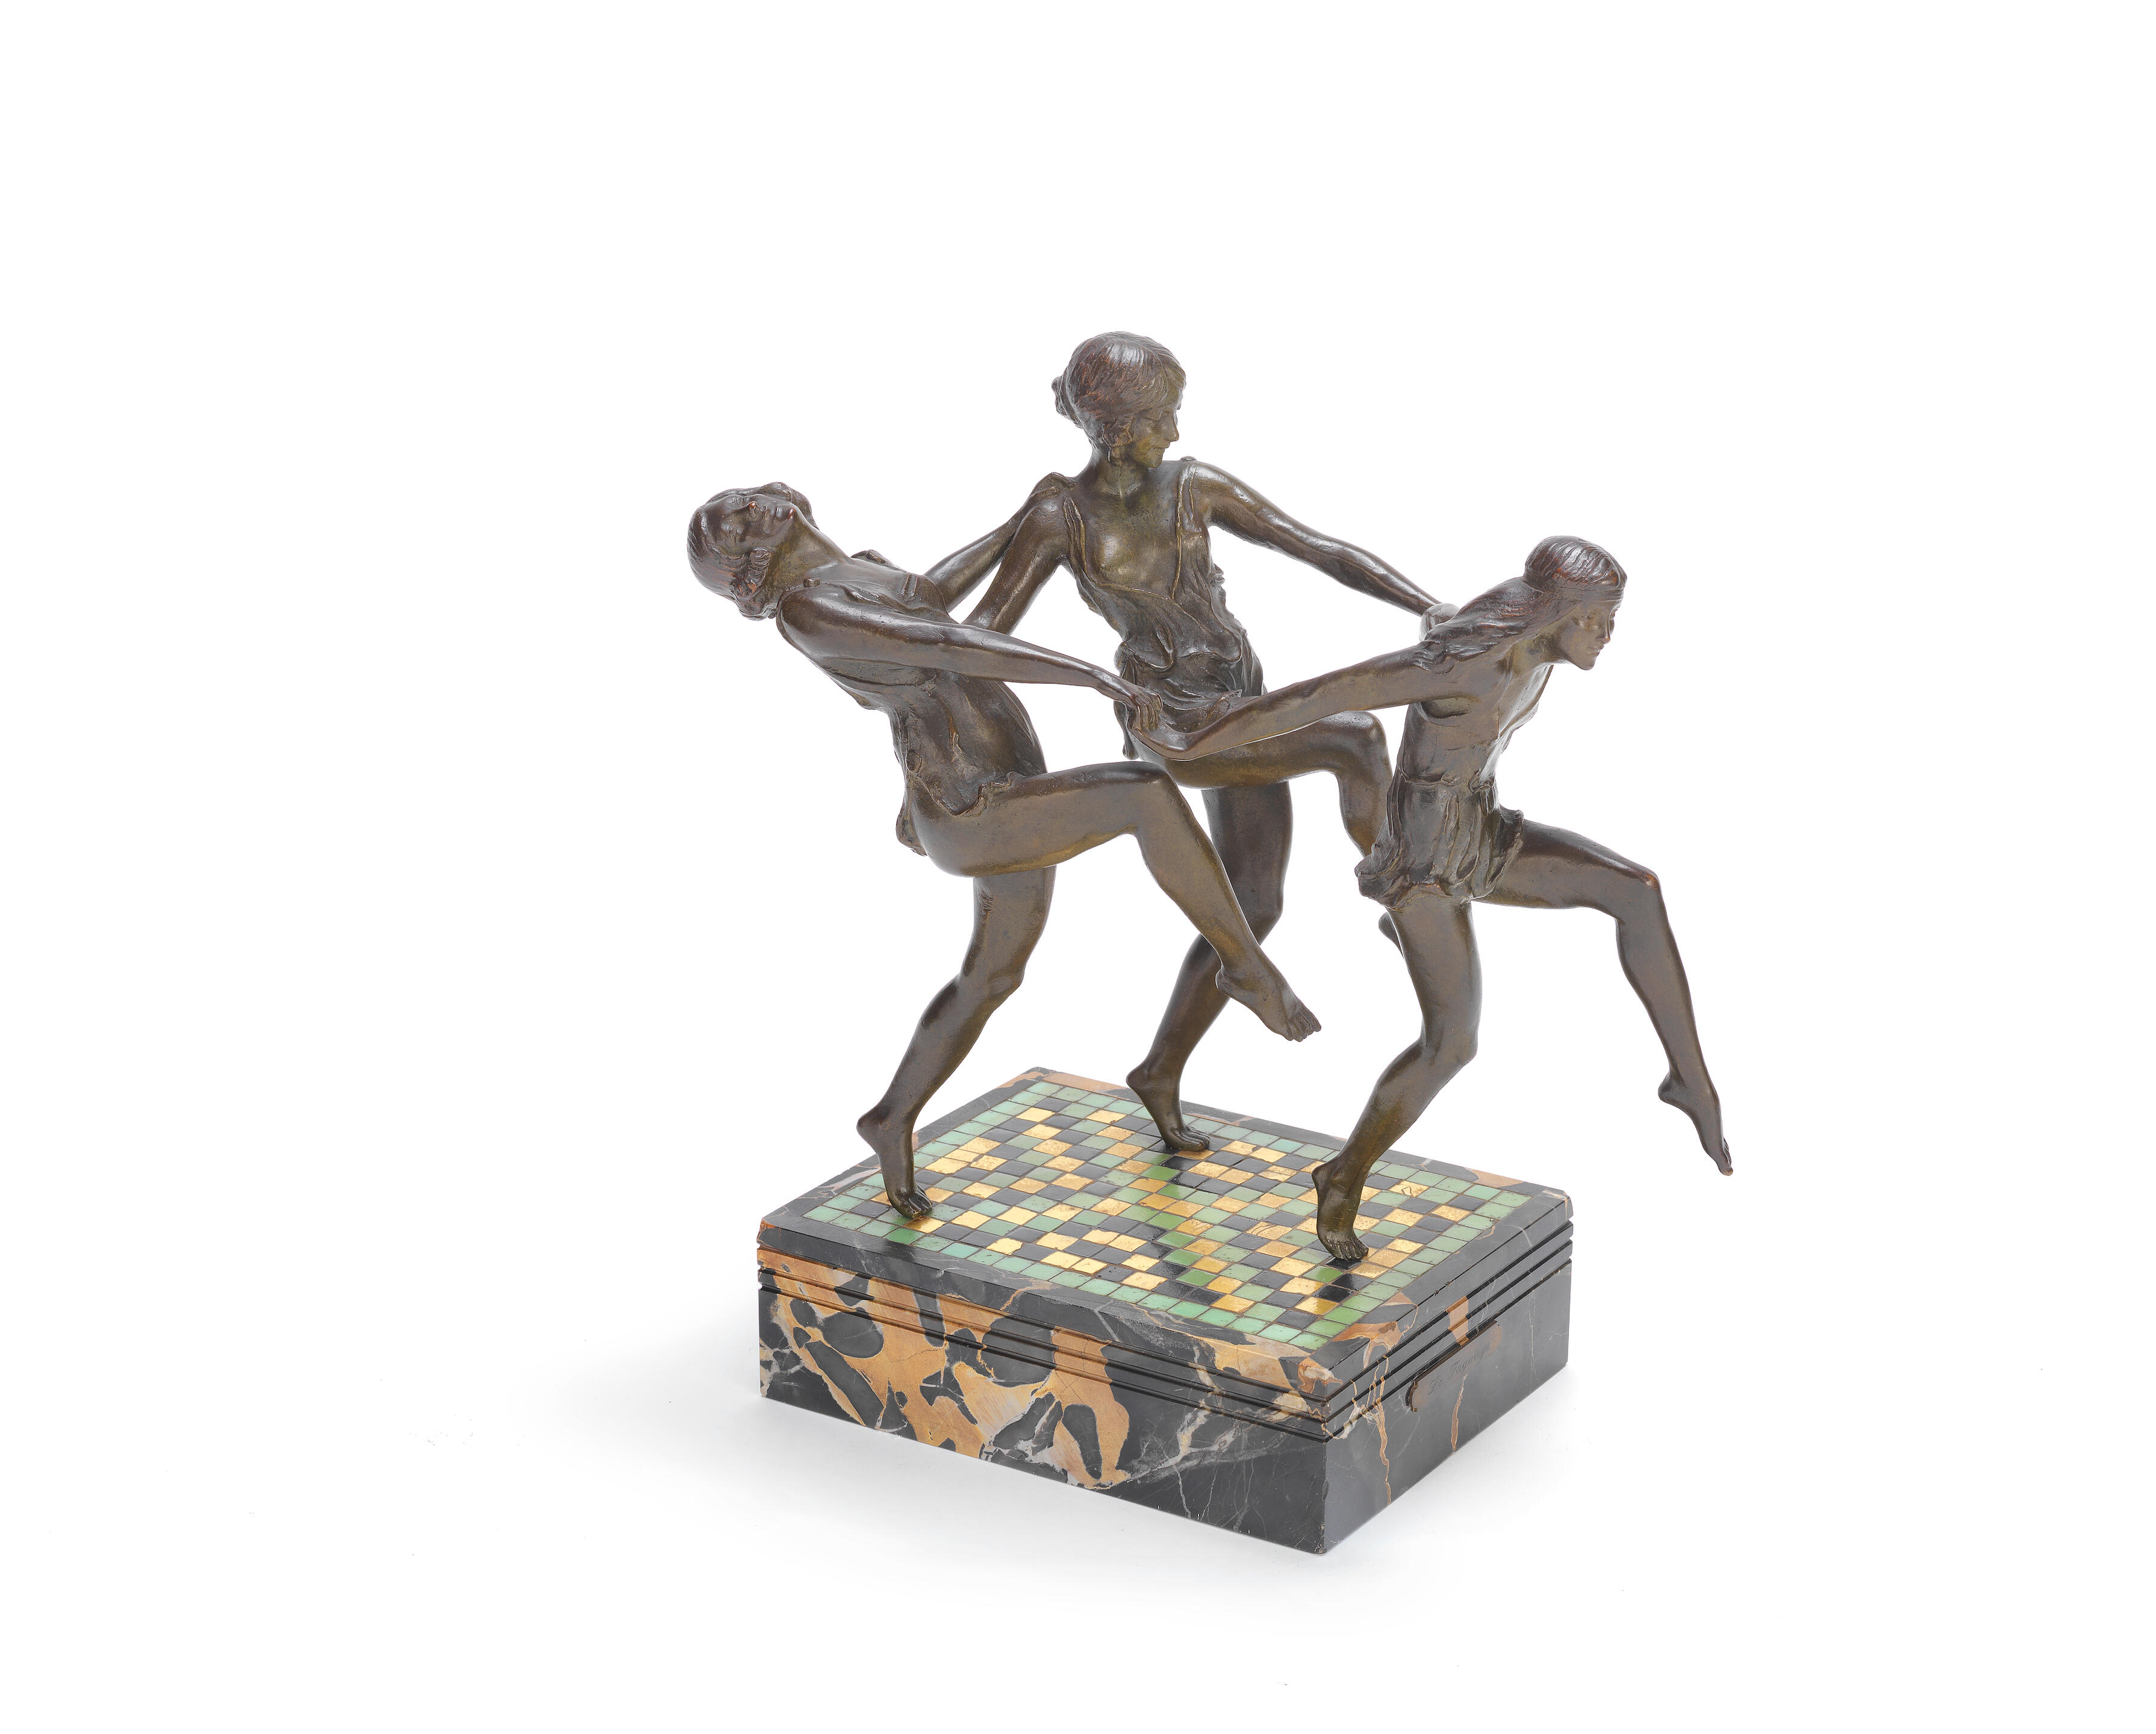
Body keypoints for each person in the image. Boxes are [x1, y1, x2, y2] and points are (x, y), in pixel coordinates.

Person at [687, 482, 1318, 1219]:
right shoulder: (809, 611)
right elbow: (949, 644)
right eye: (736, 528)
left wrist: (1023, 519)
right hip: (972, 805)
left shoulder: (856, 569)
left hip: (1005, 779)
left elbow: (931, 597)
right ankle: (1245, 967)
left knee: (991, 976)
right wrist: (1092, 676)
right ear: (747, 567)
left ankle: (890, 1117)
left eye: (741, 502)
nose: (751, 510)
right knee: (1143, 793)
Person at [1141, 535, 1729, 1261]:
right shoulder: (1460, 664)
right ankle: (1341, 1177)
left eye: (1612, 618)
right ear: (1559, 613)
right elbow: (1317, 698)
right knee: (1452, 1043)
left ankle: (1688, 1081)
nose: (1607, 635)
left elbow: (1450, 618)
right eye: (1598, 619)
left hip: (1481, 830)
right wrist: (1192, 741)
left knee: (1635, 890)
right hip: (1423, 863)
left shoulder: (1527, 646)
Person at [957, 332, 1447, 1149]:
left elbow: (1319, 548)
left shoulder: (1193, 485)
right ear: (1118, 427)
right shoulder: (1059, 514)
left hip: (1241, 700)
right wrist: (949, 745)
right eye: (1162, 418)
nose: (1176, 433)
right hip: (1175, 722)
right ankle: (1399, 893)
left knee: (1258, 904)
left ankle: (1159, 1070)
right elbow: (980, 640)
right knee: (1356, 737)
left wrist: (1429, 606)